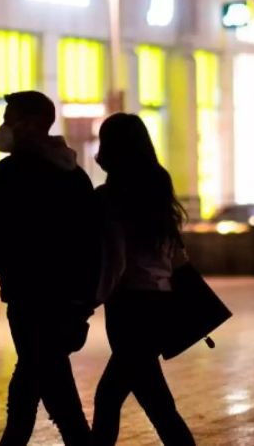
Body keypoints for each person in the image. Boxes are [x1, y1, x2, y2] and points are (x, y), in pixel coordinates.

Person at [0, 91, 98, 446]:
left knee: (39, 387)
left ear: (32, 124)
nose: (4, 127)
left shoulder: (10, 173)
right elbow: (91, 246)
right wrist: (83, 303)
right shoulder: (74, 174)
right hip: (65, 304)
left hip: (30, 302)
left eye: (10, 118)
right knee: (43, 384)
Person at [91, 113, 196, 446]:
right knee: (151, 400)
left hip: (128, 305)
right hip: (160, 300)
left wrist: (93, 299)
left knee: (115, 398)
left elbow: (115, 259)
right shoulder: (157, 181)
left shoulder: (108, 196)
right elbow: (175, 249)